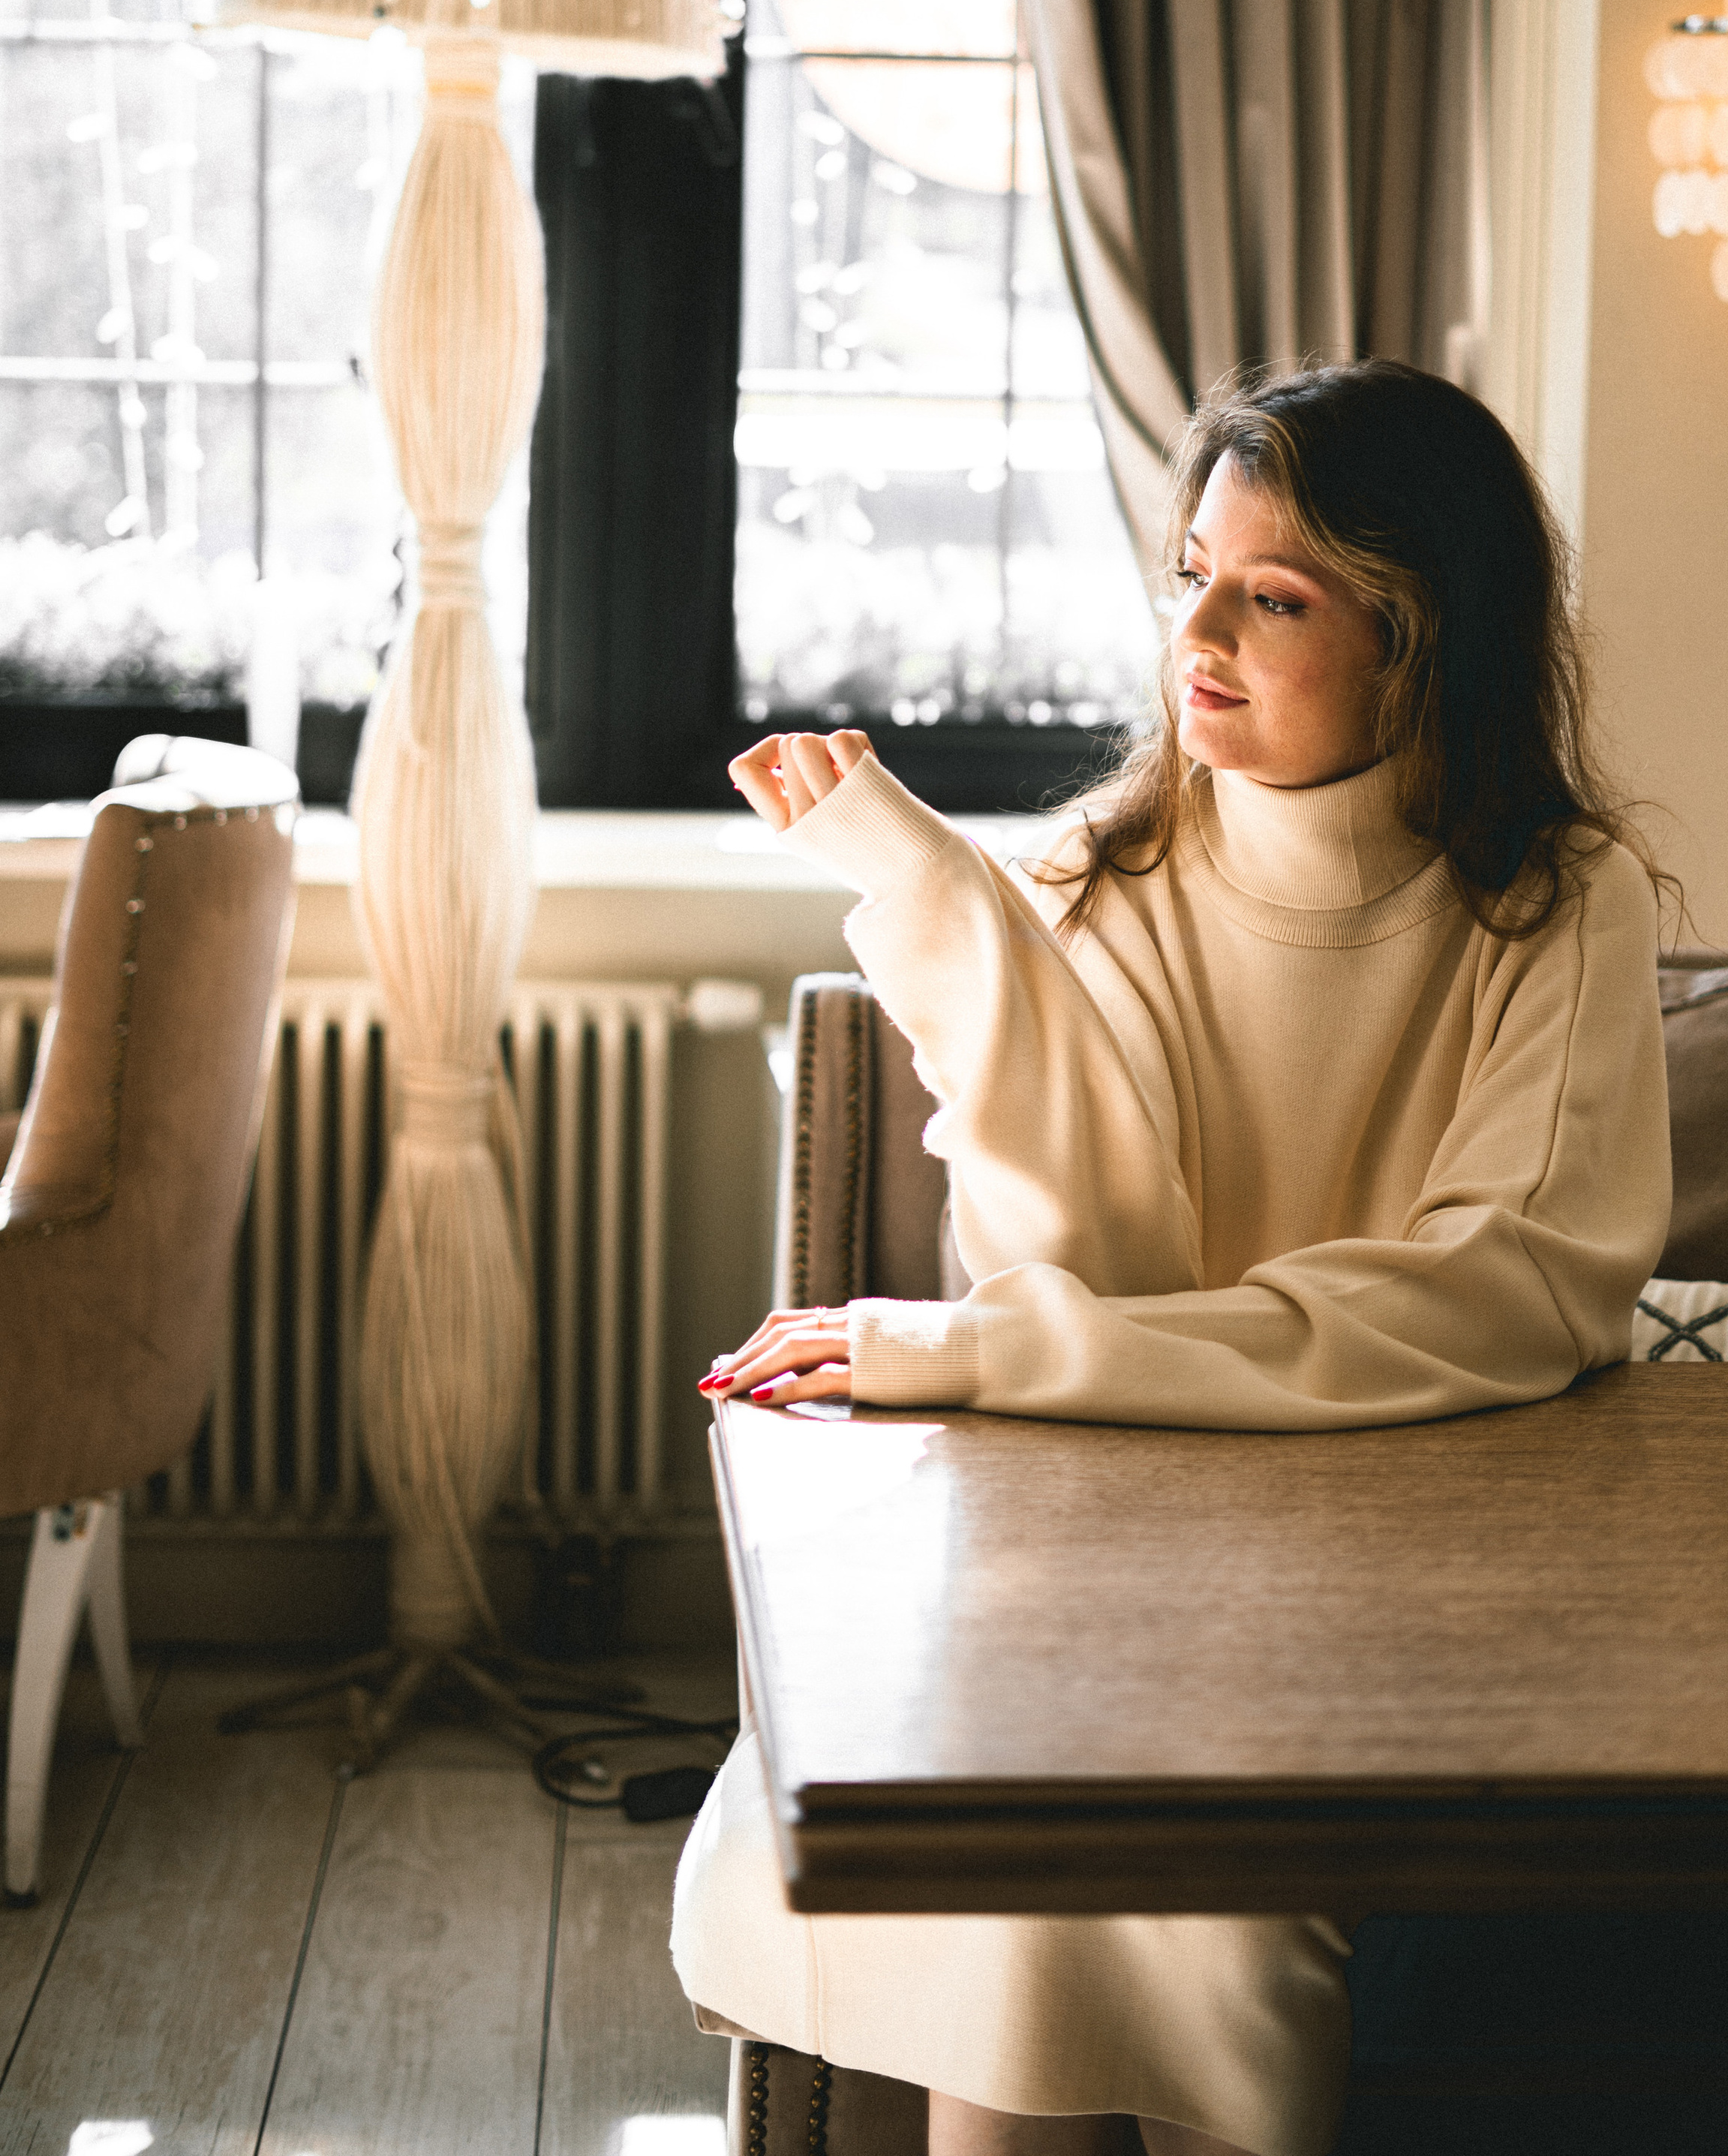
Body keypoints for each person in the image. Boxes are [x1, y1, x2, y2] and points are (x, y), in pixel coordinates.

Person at [671, 359, 1673, 2156]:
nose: (1194, 630)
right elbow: (1104, 1286)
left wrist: (979, 1350)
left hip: (1422, 1575)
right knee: (1027, 1845)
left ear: (1418, 638)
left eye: (1270, 597)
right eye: (1189, 571)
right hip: (1109, 1570)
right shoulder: (1093, 881)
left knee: (1186, 1874)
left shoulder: (1548, 900)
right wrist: (948, 921)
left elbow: (1506, 1291)